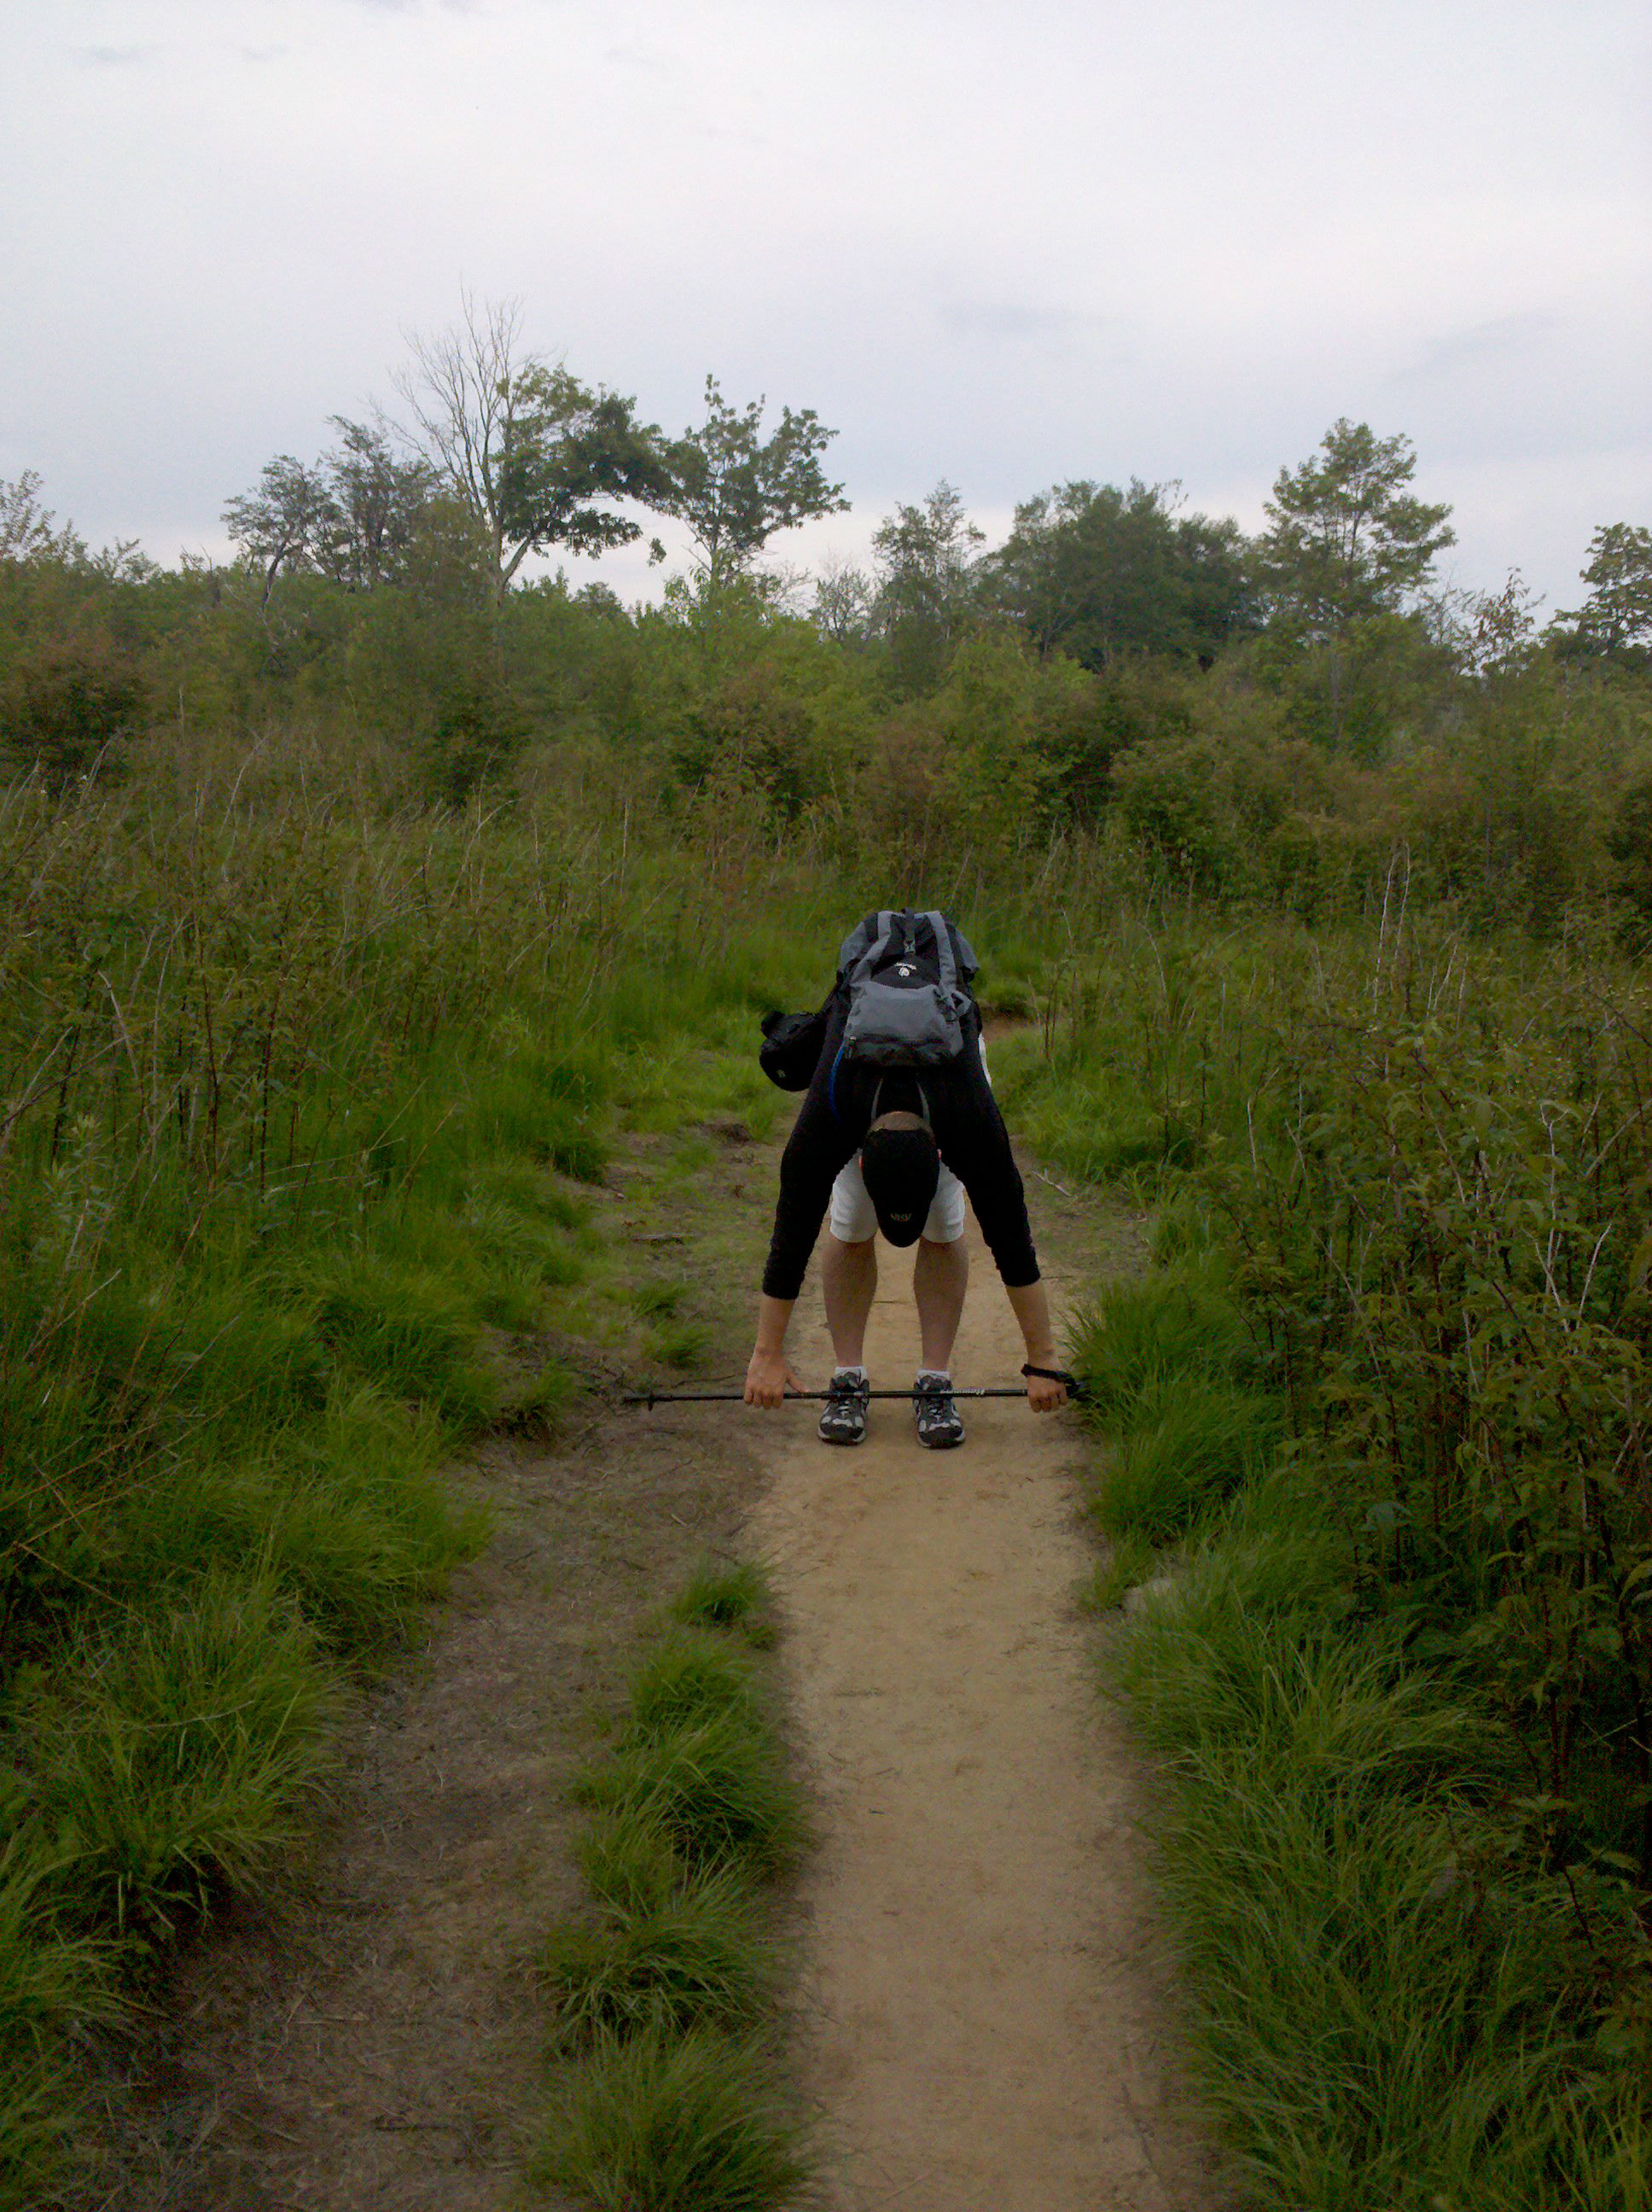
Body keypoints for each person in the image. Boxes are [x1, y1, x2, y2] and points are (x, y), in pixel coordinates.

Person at [743, 909, 1068, 1447]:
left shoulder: (970, 1118)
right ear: (859, 1160)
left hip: (945, 1053)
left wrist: (1044, 1360)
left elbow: (1013, 1240)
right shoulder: (831, 1112)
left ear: (943, 1155)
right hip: (859, 1056)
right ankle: (848, 1376)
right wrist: (766, 1354)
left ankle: (935, 1379)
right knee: (850, 1225)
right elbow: (790, 1239)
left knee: (943, 1226)